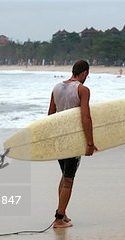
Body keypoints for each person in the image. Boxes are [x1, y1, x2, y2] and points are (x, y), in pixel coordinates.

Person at [48, 60, 97, 228]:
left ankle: (62, 211)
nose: (86, 78)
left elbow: (50, 115)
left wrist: (50, 139)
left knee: (64, 174)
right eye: (87, 75)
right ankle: (59, 218)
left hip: (58, 139)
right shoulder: (82, 90)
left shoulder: (56, 88)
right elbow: (85, 117)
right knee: (69, 179)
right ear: (83, 73)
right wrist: (90, 142)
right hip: (72, 140)